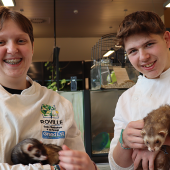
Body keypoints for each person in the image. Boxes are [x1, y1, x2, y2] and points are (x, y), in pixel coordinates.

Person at [0, 6, 98, 170]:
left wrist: (90, 167)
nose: (12, 49)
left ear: (32, 47)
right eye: (1, 42)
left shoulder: (58, 104)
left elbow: (77, 160)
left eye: (21, 40)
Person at [108, 10, 170, 170]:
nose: (143, 57)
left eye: (149, 44)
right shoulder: (126, 99)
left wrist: (161, 145)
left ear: (167, 39)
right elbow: (116, 167)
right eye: (133, 51)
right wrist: (124, 142)